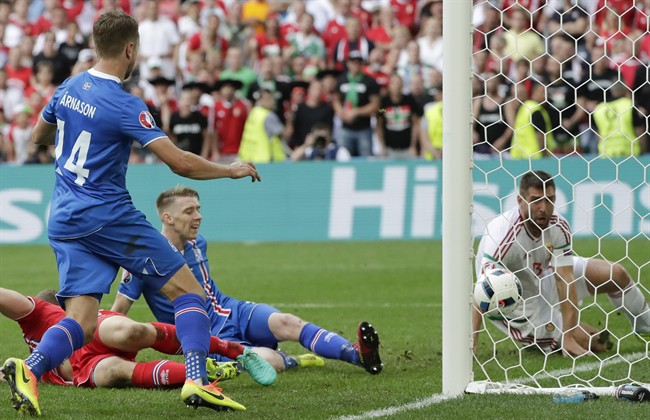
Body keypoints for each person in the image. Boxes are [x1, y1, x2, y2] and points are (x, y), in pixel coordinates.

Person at [1, 11, 261, 416]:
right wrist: (229, 169)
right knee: (188, 291)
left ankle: (29, 369)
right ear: (129, 49)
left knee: (83, 322)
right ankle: (197, 379)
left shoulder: (69, 86)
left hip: (64, 217)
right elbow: (179, 163)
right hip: (106, 214)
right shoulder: (126, 105)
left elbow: (38, 136)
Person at [111, 186, 382, 375]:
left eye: (199, 209)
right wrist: (101, 355)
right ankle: (294, 361)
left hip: (232, 310)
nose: (199, 216)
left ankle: (357, 354)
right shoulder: (143, 261)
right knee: (267, 358)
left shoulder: (197, 244)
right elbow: (117, 313)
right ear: (167, 218)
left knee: (287, 322)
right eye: (190, 211)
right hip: (207, 335)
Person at [472, 170, 650, 356]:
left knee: (615, 274)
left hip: (544, 277)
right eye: (536, 200)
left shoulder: (558, 226)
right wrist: (472, 343)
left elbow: (565, 278)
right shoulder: (503, 236)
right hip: (522, 307)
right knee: (594, 345)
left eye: (549, 199)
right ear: (520, 201)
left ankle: (646, 327)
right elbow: (483, 291)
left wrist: (568, 336)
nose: (543, 207)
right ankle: (576, 335)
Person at [0, 287, 276, 390]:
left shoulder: (41, 313)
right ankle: (204, 372)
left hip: (93, 329)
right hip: (90, 365)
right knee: (116, 374)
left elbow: (6, 297)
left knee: (134, 332)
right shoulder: (30, 358)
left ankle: (236, 351)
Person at [238, 88, 287, 163]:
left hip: (250, 159)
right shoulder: (268, 115)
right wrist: (290, 120)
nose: (273, 102)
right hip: (266, 160)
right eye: (268, 99)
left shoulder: (253, 112)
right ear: (260, 100)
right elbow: (284, 135)